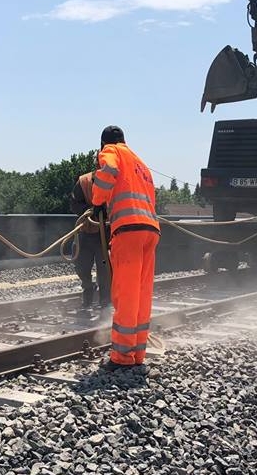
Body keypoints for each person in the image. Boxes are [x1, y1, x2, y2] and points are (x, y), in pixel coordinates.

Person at [90, 125, 160, 371]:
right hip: (150, 231)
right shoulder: (141, 164)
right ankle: (137, 353)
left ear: (104, 143)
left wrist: (97, 200)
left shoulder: (112, 151)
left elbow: (108, 169)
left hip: (128, 230)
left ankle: (121, 356)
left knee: (126, 293)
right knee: (141, 294)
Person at [69, 170, 111, 311]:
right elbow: (74, 203)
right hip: (85, 232)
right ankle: (88, 289)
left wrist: (105, 211)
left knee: (105, 269)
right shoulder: (83, 182)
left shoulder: (113, 182)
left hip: (104, 233)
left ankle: (105, 301)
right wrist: (90, 210)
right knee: (80, 264)